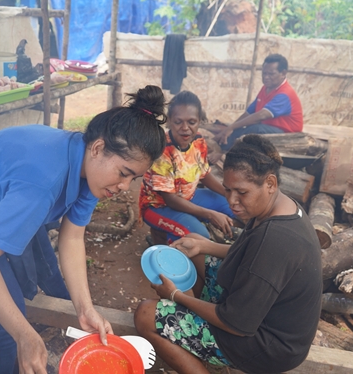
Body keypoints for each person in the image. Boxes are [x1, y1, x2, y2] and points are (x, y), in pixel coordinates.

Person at [0, 85, 167, 374]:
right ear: (97, 148)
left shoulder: (89, 168)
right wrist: (24, 335)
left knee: (17, 301)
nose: (124, 187)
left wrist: (85, 309)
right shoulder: (43, 182)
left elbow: (72, 237)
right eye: (123, 173)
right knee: (8, 323)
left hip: (0, 201)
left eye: (133, 178)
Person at [134, 135, 322, 374]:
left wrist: (176, 295)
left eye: (241, 192)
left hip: (266, 346)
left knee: (146, 314)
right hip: (258, 316)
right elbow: (250, 256)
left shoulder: (276, 240)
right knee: (195, 246)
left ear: (270, 183)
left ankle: (201, 352)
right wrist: (204, 246)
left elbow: (236, 323)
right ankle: (195, 332)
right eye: (228, 189)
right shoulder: (278, 207)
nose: (232, 201)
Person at [139, 91, 234, 243]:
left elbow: (204, 174)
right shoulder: (162, 149)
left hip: (189, 197)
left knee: (232, 205)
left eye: (191, 122)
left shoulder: (198, 140)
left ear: (199, 121)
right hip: (158, 206)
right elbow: (170, 200)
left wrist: (228, 193)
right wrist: (210, 214)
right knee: (199, 236)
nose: (185, 128)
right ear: (170, 121)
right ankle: (166, 248)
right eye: (178, 122)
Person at [210, 54, 303, 163]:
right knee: (239, 128)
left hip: (287, 135)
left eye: (271, 74)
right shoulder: (265, 89)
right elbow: (249, 112)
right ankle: (218, 147)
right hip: (268, 129)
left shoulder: (285, 93)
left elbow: (261, 115)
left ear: (283, 73)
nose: (266, 77)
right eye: (264, 73)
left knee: (255, 129)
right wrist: (229, 129)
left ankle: (227, 155)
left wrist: (232, 127)